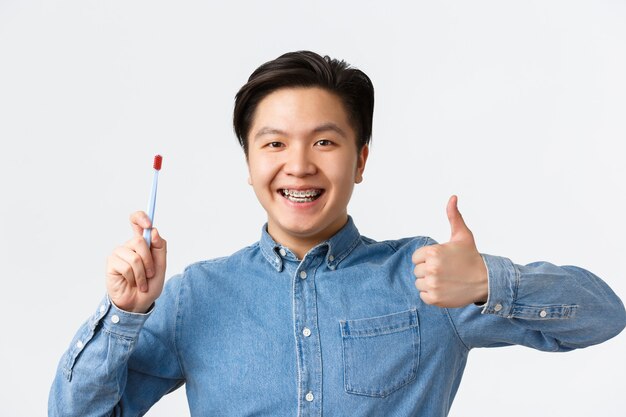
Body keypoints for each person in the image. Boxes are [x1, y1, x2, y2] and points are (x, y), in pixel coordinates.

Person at [49, 50, 626, 417]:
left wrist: (487, 283)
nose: (298, 165)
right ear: (249, 163)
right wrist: (124, 316)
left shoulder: (428, 277)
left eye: (324, 141)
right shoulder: (196, 296)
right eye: (274, 143)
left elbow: (605, 317)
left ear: (361, 159)